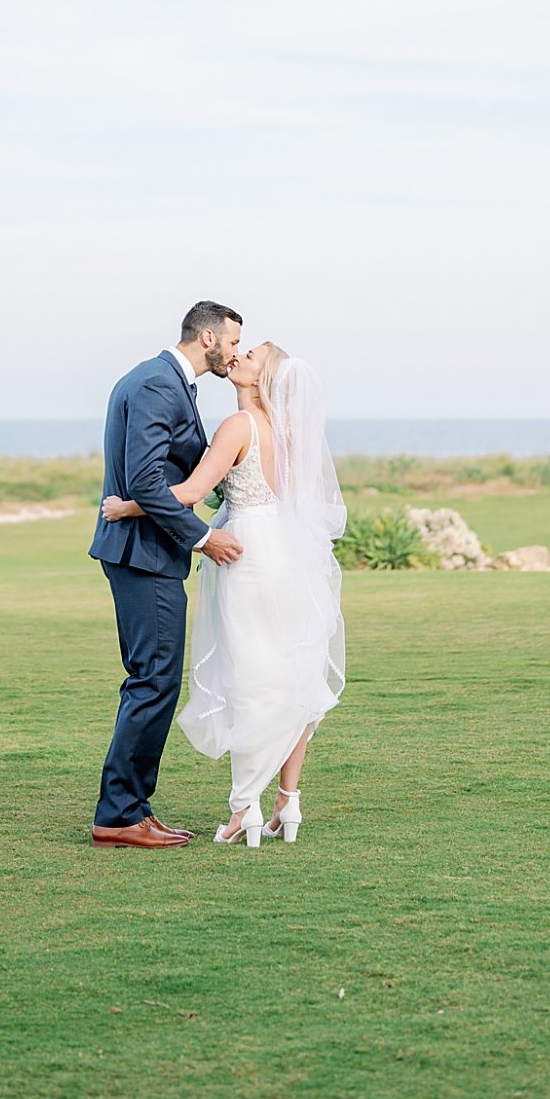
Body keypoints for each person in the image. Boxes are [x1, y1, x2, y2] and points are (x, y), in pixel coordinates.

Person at [102, 342, 346, 847]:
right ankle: (288, 802)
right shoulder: (289, 431)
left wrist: (128, 507)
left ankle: (244, 809)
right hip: (287, 555)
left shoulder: (239, 426)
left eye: (249, 355)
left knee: (251, 675)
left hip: (246, 552)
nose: (238, 357)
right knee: (291, 672)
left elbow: (190, 492)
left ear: (261, 379)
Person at [88, 301, 245, 849]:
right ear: (207, 338)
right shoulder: (158, 385)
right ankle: (120, 814)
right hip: (142, 554)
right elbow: (146, 483)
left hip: (144, 552)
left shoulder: (165, 380)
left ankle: (132, 807)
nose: (235, 352)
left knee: (153, 678)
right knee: (153, 680)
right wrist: (203, 537)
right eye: (232, 341)